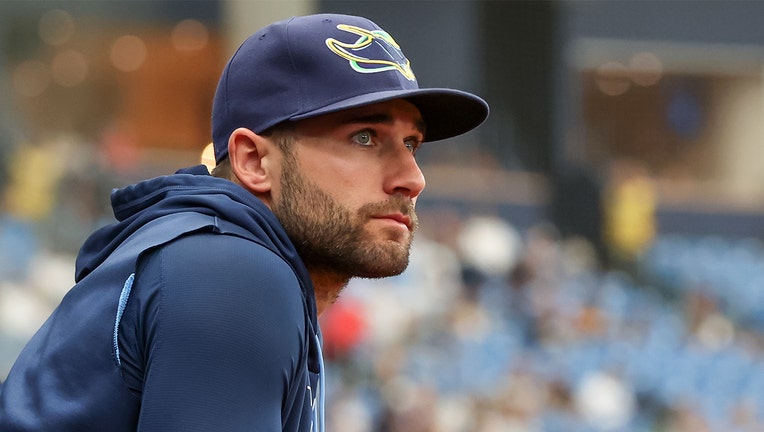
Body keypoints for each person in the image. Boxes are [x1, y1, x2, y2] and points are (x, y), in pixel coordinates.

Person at [0, 13, 488, 431]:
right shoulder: (230, 269)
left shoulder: (217, 259)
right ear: (254, 161)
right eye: (364, 137)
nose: (413, 178)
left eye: (411, 144)